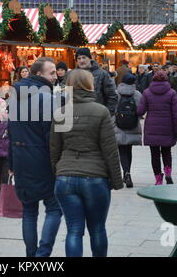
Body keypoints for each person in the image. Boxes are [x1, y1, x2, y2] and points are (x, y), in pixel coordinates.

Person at [50, 69, 123, 257]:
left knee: (74, 230)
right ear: (90, 86)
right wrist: (116, 180)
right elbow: (110, 149)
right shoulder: (100, 111)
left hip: (65, 177)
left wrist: (57, 172)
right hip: (95, 177)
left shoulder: (62, 112)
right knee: (97, 228)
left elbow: (54, 148)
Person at [8, 57, 63, 257]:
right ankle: (43, 254)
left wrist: (11, 162)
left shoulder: (15, 96)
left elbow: (11, 132)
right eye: (51, 72)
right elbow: (52, 137)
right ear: (38, 74)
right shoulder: (47, 97)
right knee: (54, 208)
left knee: (29, 212)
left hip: (22, 159)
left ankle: (31, 256)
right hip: (43, 160)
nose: (55, 76)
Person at [137, 70, 177, 185]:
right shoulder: (172, 93)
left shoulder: (147, 92)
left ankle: (158, 178)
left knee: (154, 153)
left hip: (152, 127)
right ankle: (167, 171)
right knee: (167, 151)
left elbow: (141, 111)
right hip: (167, 126)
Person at [114, 73, 142, 188]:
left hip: (118, 125)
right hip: (132, 125)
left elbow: (112, 109)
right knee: (128, 150)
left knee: (121, 150)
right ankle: (128, 172)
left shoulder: (116, 93)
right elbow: (140, 112)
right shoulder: (137, 94)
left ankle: (125, 173)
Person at [75, 48, 118, 115]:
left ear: (90, 58)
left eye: (84, 57)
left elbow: (112, 96)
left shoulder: (102, 74)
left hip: (97, 115)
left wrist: (108, 114)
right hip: (78, 116)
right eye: (79, 58)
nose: (81, 61)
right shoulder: (73, 75)